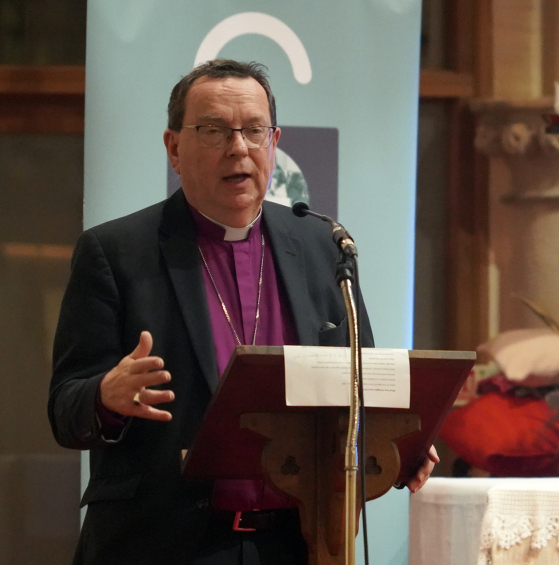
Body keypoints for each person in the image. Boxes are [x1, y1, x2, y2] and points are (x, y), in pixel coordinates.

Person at [48, 59, 438, 565]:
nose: (238, 148)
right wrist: (105, 396)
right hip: (163, 543)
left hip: (298, 542)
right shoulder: (117, 251)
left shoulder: (324, 246)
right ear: (173, 148)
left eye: (254, 131)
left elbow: (360, 383)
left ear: (273, 142)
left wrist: (401, 443)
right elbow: (64, 409)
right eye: (213, 131)